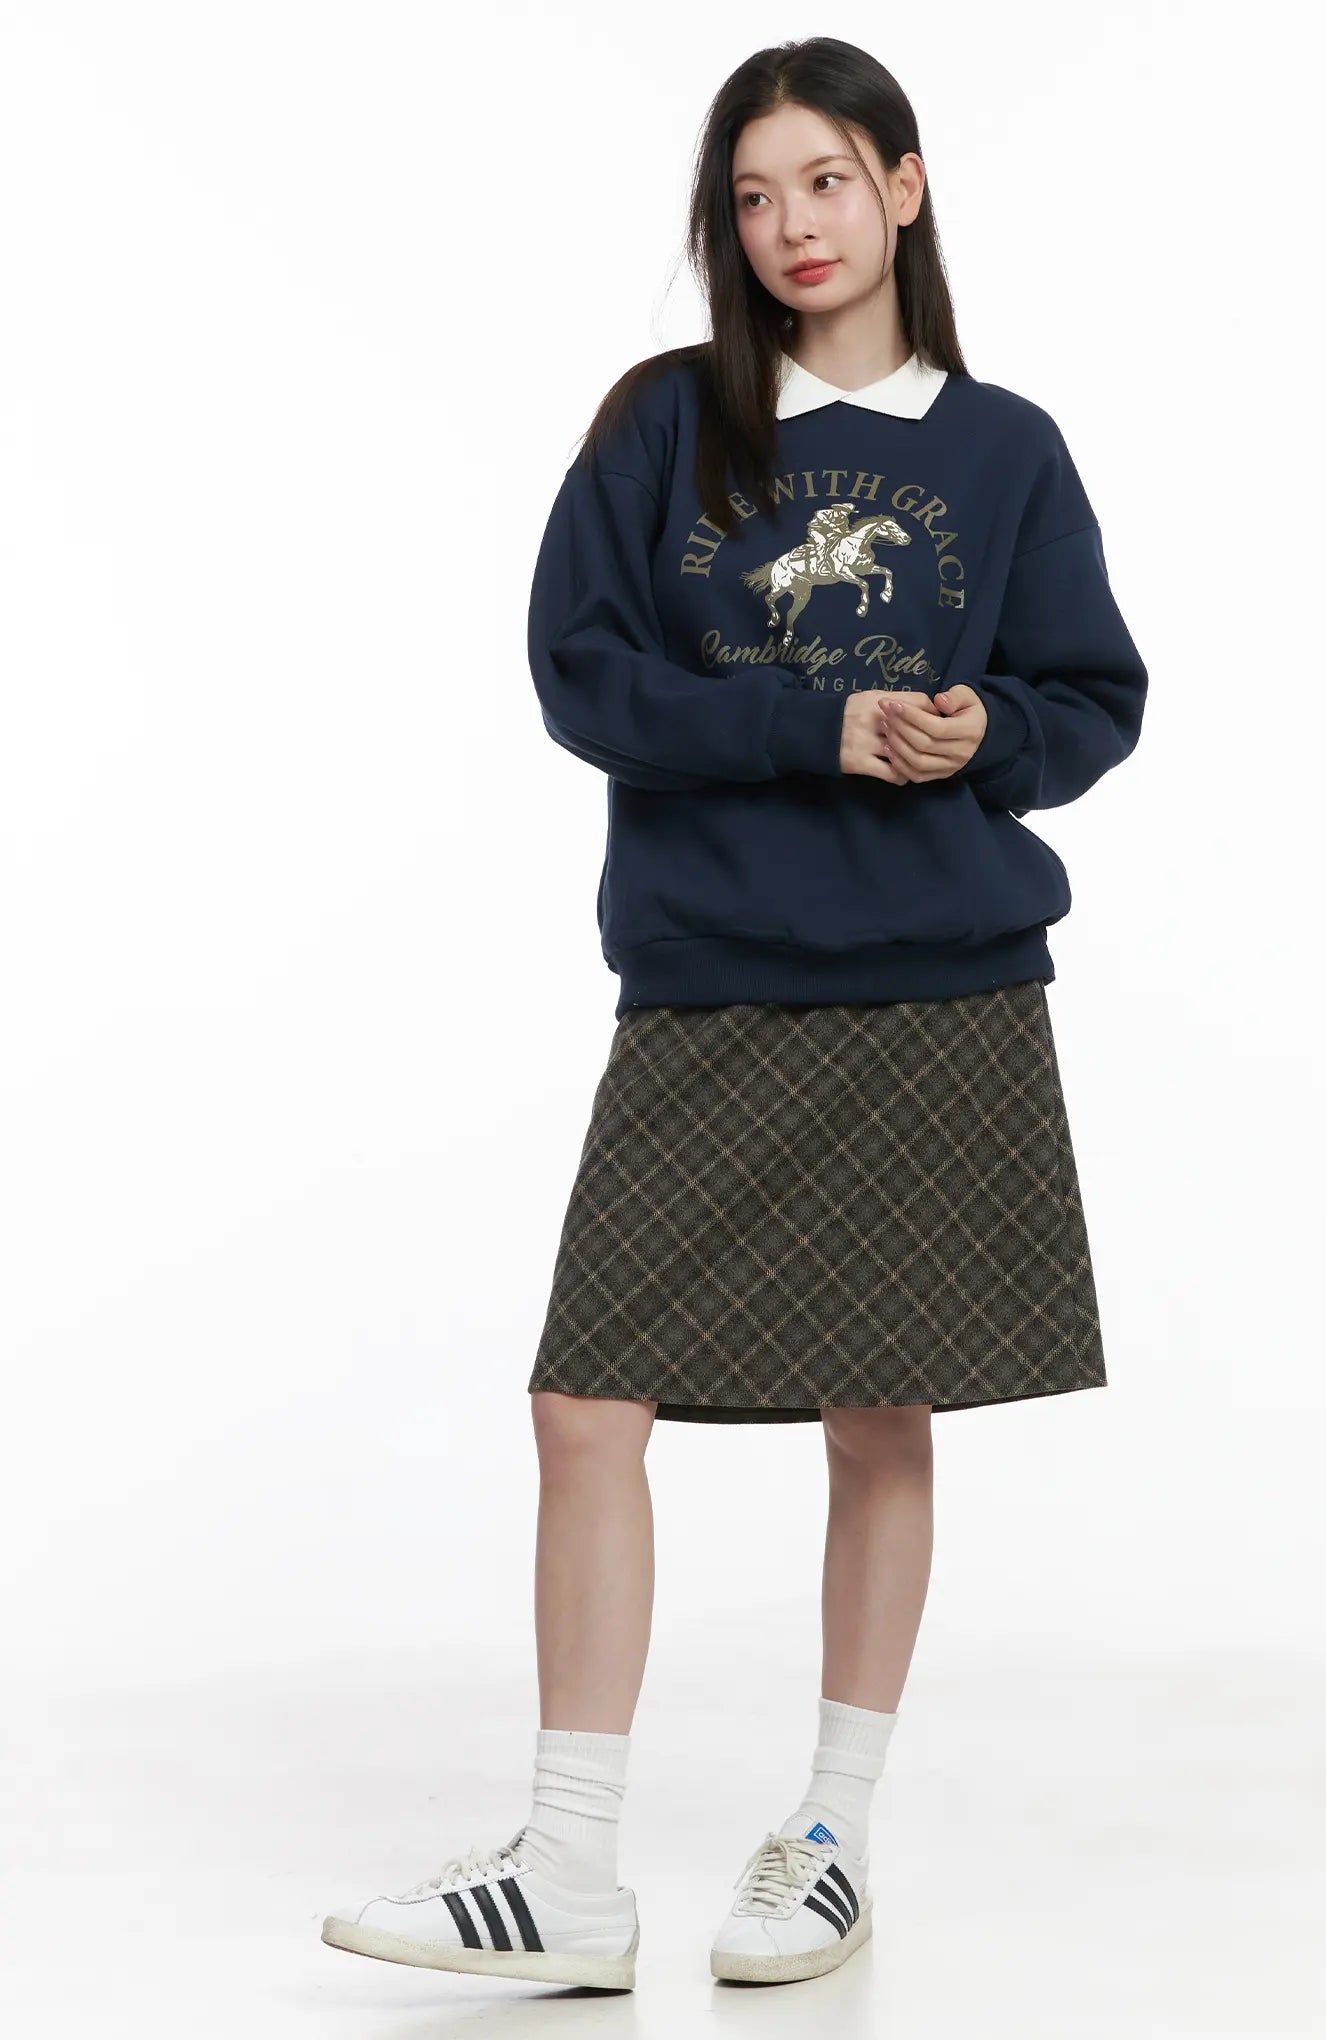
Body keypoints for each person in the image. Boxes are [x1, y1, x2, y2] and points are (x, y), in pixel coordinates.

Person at [322, 33, 1148, 1995]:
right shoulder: (664, 428)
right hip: (709, 975)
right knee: (587, 1401)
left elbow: (1091, 699)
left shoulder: (1006, 449)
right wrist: (814, 722)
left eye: (827, 181)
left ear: (905, 189)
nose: (791, 225)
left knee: (883, 1410)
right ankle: (572, 1867)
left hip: (939, 983)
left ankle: (831, 1839)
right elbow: (583, 678)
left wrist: (984, 728)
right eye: (753, 195)